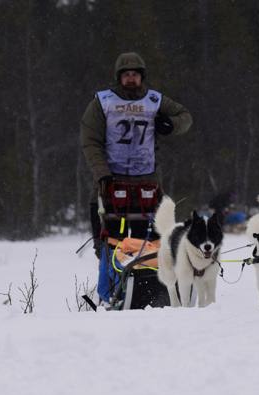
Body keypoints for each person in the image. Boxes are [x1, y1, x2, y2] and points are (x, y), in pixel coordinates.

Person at [80, 52, 192, 256]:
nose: (131, 78)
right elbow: (90, 141)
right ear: (119, 77)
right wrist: (102, 173)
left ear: (142, 76)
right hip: (111, 180)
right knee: (111, 240)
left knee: (149, 243)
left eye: (135, 73)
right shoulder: (103, 102)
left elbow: (185, 117)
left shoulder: (155, 100)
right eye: (126, 74)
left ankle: (148, 282)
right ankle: (112, 277)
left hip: (147, 180)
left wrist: (171, 125)